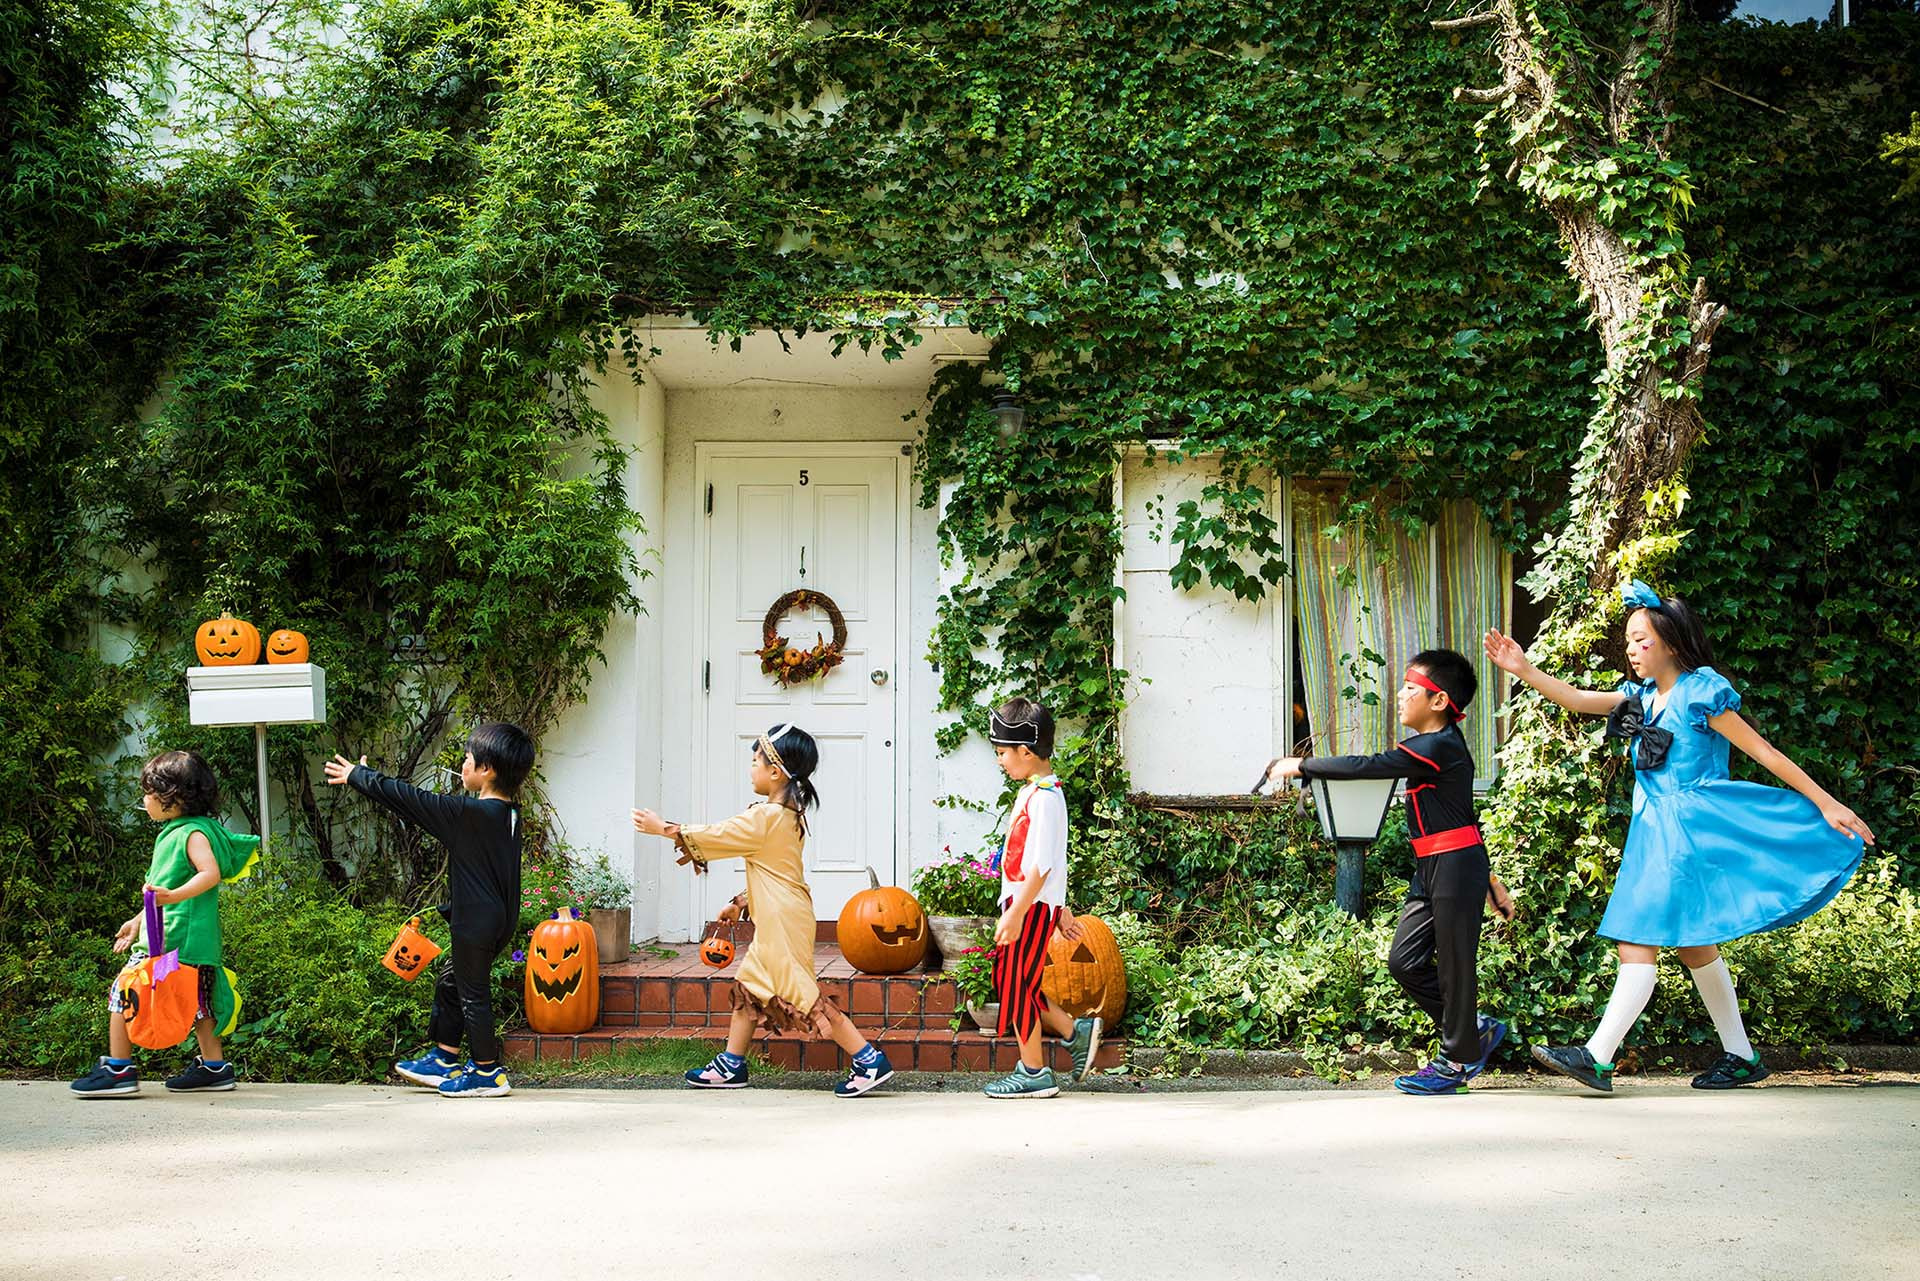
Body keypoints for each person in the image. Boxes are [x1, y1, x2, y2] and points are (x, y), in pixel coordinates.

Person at [1484, 580, 1874, 1092]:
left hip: (1690, 831)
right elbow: (1578, 699)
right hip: (1654, 831)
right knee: (1694, 945)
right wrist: (1524, 669)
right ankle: (1741, 1055)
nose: (1632, 649)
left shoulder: (1701, 691)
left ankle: (1597, 1057)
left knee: (1637, 938)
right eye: (1628, 640)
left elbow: (1765, 754)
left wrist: (1825, 801)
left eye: (1642, 640)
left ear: (1671, 643)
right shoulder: (1640, 698)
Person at [1265, 650, 1514, 1096]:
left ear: (1438, 702)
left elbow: (1369, 767)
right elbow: (1464, 814)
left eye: (1411, 689)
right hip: (1436, 865)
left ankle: (1456, 1060)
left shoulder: (1438, 745)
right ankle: (1472, 1030)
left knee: (1456, 966)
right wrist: (1491, 880)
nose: (1400, 695)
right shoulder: (1432, 749)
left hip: (1455, 866)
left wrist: (1300, 764)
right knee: (1404, 961)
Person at [632, 723, 896, 1098]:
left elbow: (719, 834)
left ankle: (869, 1059)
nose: (751, 768)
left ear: (775, 771)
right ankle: (731, 1064)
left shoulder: (766, 817)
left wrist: (665, 829)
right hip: (784, 913)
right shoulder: (788, 814)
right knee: (751, 986)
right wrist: (740, 901)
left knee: (802, 993)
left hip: (782, 922)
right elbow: (774, 868)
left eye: (755, 760)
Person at [324, 721, 534, 1098]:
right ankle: (443, 1057)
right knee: (451, 981)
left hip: (475, 922)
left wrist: (359, 775)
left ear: (487, 770)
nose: (463, 765)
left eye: (468, 759)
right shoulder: (510, 815)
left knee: (473, 993)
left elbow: (408, 798)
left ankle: (487, 1072)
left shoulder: (469, 815)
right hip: (496, 918)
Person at [71, 750, 261, 1098]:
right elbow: (161, 890)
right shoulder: (191, 830)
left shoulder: (191, 834)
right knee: (199, 1000)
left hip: (170, 941)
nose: (144, 800)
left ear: (171, 798)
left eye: (147, 792)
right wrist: (137, 919)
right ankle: (214, 1067)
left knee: (126, 989)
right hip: (194, 942)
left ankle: (118, 1069)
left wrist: (170, 898)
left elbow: (209, 875)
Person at [982, 697, 1103, 1100]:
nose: (1000, 760)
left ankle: (1034, 1070)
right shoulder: (1036, 792)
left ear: (1026, 752)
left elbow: (1044, 865)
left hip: (1028, 908)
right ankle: (1074, 1032)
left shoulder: (1046, 800)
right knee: (1020, 981)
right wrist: (1060, 907)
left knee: (1016, 985)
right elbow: (1044, 859)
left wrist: (1019, 913)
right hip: (1031, 905)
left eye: (1002, 752)